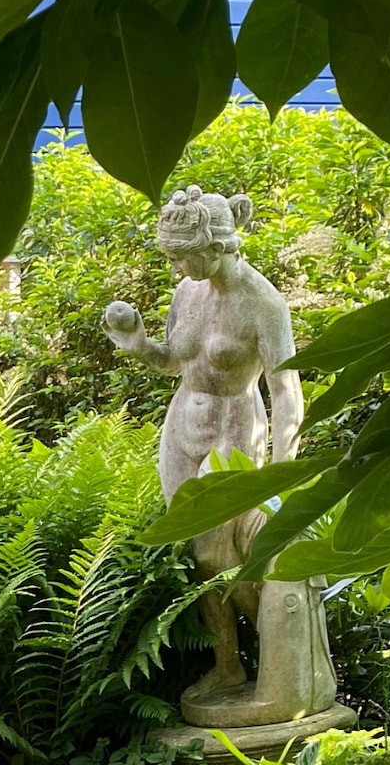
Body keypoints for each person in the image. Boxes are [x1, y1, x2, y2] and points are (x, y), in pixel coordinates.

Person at [103, 185, 337, 727]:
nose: (177, 267)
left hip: (237, 428)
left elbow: (286, 390)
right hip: (183, 429)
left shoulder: (263, 302)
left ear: (216, 245)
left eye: (183, 255)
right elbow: (171, 361)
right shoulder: (189, 291)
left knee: (232, 557)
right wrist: (135, 341)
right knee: (203, 557)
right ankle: (227, 666)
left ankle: (277, 664)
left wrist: (285, 467)